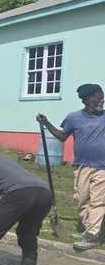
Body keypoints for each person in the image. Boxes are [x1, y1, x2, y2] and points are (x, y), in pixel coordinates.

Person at [37, 83, 105, 251]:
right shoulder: (73, 118)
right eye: (99, 96)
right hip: (82, 165)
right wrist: (46, 123)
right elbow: (62, 136)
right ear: (87, 99)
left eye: (102, 96)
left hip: (103, 167)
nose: (102, 99)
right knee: (82, 199)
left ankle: (93, 235)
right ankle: (88, 228)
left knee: (98, 201)